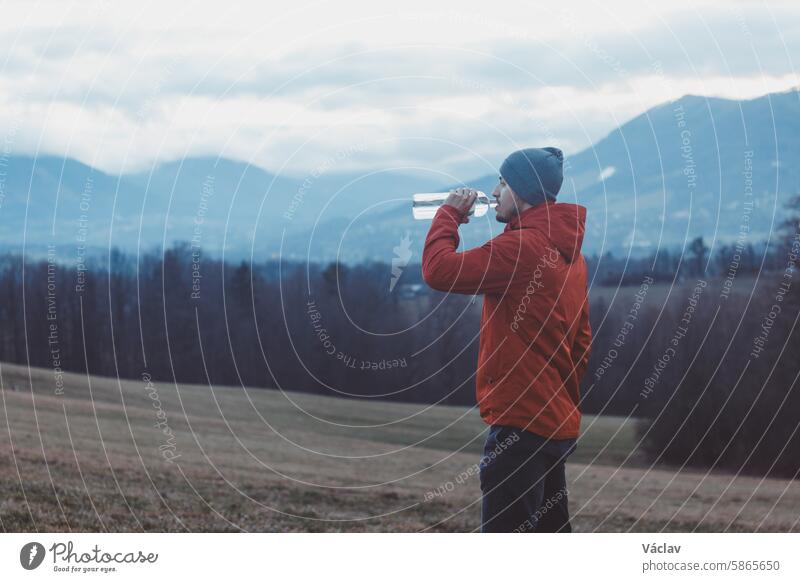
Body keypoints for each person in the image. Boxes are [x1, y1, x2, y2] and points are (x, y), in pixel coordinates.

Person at [421, 147, 591, 533]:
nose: (494, 192)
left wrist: (449, 215)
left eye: (502, 182)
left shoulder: (521, 249)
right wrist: (559, 395)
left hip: (520, 424)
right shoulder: (571, 255)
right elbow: (581, 340)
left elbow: (438, 270)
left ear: (522, 190)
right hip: (554, 421)